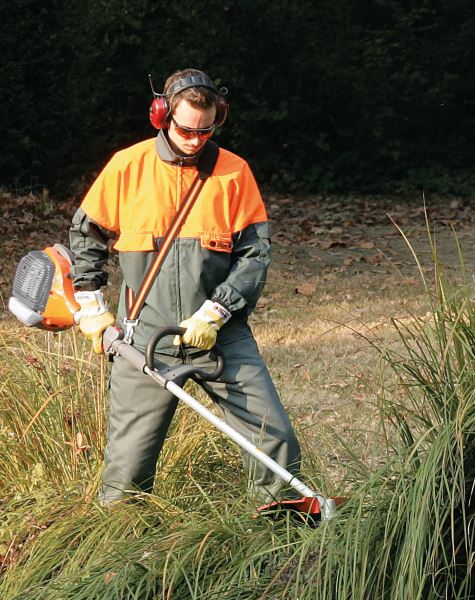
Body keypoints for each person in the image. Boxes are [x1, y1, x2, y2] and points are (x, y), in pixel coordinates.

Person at [67, 68, 300, 505]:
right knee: (126, 472)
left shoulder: (234, 173)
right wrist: (91, 302)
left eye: (206, 130)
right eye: (187, 129)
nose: (195, 139)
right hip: (144, 338)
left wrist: (218, 311)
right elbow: (86, 235)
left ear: (218, 120)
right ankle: (121, 558)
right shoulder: (127, 167)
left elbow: (255, 255)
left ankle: (282, 535)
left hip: (219, 334)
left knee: (276, 439)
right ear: (162, 116)